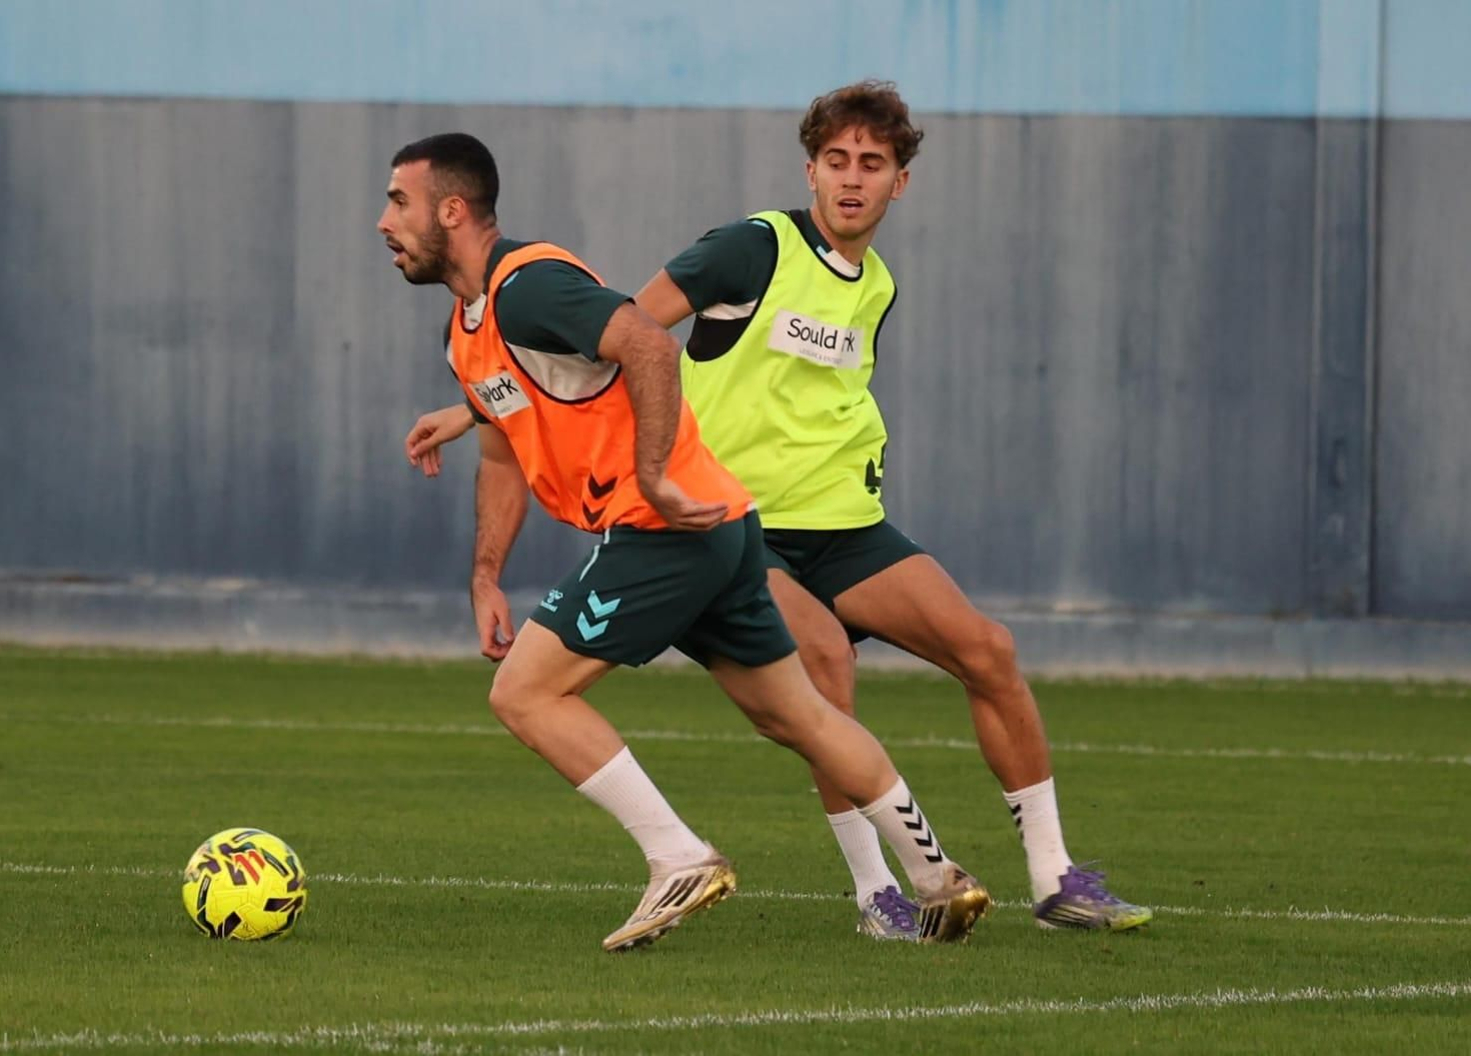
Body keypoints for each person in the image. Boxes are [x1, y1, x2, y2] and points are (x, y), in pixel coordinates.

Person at [404, 84, 1152, 937]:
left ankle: (1048, 878)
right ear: (811, 170)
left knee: (988, 649)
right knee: (821, 666)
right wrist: (481, 409)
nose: (852, 179)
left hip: (830, 521)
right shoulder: (751, 248)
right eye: (837, 161)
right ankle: (883, 893)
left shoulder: (875, 286)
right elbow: (617, 336)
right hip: (729, 514)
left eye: (872, 164)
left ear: (899, 183)